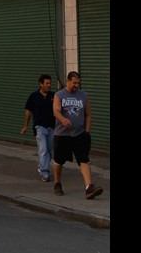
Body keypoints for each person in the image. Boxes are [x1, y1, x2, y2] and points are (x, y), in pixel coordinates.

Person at [52, 71, 103, 199]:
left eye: (78, 83)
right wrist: (63, 119)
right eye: (74, 83)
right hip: (62, 135)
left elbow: (88, 114)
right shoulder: (59, 95)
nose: (76, 85)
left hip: (79, 134)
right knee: (59, 161)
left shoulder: (83, 95)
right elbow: (56, 111)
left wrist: (87, 131)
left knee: (84, 159)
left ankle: (89, 188)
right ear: (68, 81)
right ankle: (57, 183)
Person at [21, 73, 56, 182]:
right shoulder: (34, 96)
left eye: (50, 83)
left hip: (51, 127)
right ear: (41, 84)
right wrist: (25, 125)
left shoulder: (53, 96)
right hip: (39, 127)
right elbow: (28, 111)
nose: (49, 85)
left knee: (49, 150)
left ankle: (41, 166)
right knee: (43, 149)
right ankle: (45, 173)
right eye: (47, 83)